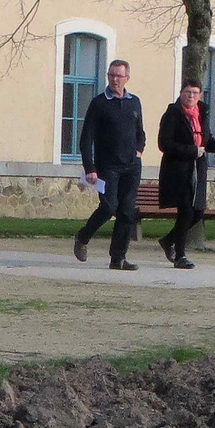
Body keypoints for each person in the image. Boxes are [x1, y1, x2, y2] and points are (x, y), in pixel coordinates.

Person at [73, 58, 146, 271]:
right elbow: (86, 139)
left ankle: (118, 258)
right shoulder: (99, 103)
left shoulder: (134, 102)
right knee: (108, 207)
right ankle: (83, 236)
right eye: (111, 75)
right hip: (108, 167)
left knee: (126, 212)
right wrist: (90, 168)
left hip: (131, 166)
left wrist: (139, 149)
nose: (115, 79)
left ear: (127, 78)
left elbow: (140, 131)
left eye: (119, 76)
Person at [156, 78, 215, 270]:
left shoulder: (202, 114)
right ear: (181, 94)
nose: (191, 96)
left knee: (198, 212)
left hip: (197, 170)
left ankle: (168, 241)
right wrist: (191, 151)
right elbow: (164, 144)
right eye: (187, 92)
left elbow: (205, 142)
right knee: (186, 210)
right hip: (178, 170)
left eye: (195, 93)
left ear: (200, 95)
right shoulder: (172, 114)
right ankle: (180, 255)